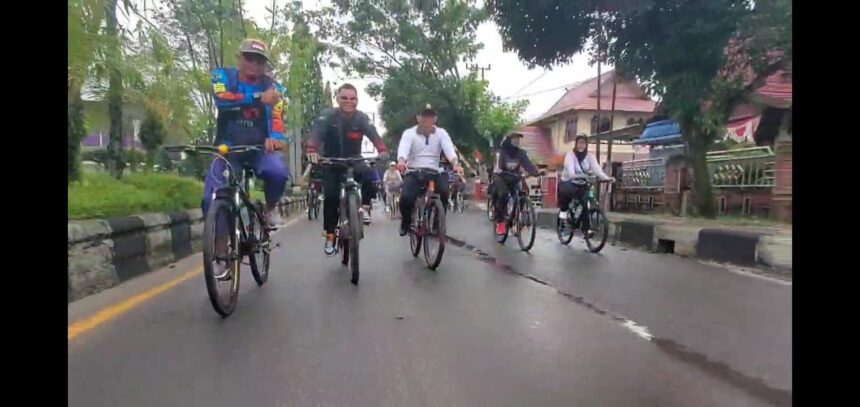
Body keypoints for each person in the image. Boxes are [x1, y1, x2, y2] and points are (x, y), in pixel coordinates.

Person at [306, 83, 389, 255]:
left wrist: (382, 150)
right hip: (332, 161)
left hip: (354, 161)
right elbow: (317, 133)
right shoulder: (328, 116)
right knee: (330, 198)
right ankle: (330, 236)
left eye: (352, 98)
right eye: (344, 98)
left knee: (370, 176)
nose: (348, 101)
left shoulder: (361, 118)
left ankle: (364, 207)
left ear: (357, 100)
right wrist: (312, 149)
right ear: (337, 99)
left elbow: (373, 134)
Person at [396, 104, 462, 236]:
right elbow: (403, 148)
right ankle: (406, 222)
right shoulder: (409, 133)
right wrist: (401, 160)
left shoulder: (441, 133)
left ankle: (438, 222)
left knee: (444, 191)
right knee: (406, 198)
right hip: (414, 171)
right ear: (418, 118)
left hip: (434, 171)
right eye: (424, 116)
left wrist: (455, 163)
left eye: (431, 117)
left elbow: (449, 150)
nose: (427, 120)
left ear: (435, 119)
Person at [557, 135, 615, 236]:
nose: (581, 145)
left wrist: (606, 178)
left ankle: (586, 230)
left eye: (583, 143)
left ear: (586, 145)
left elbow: (597, 170)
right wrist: (574, 175)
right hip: (569, 182)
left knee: (585, 202)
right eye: (579, 143)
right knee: (566, 194)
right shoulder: (570, 155)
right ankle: (564, 216)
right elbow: (570, 170)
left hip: (582, 183)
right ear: (576, 144)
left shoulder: (590, 156)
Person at [491, 131, 540, 235]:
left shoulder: (521, 153)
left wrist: (535, 171)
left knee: (522, 193)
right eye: (515, 139)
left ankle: (515, 217)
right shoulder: (501, 152)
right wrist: (500, 169)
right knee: (503, 194)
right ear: (509, 140)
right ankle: (500, 221)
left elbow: (527, 164)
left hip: (514, 177)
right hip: (500, 176)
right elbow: (498, 165)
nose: (517, 141)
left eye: (518, 139)